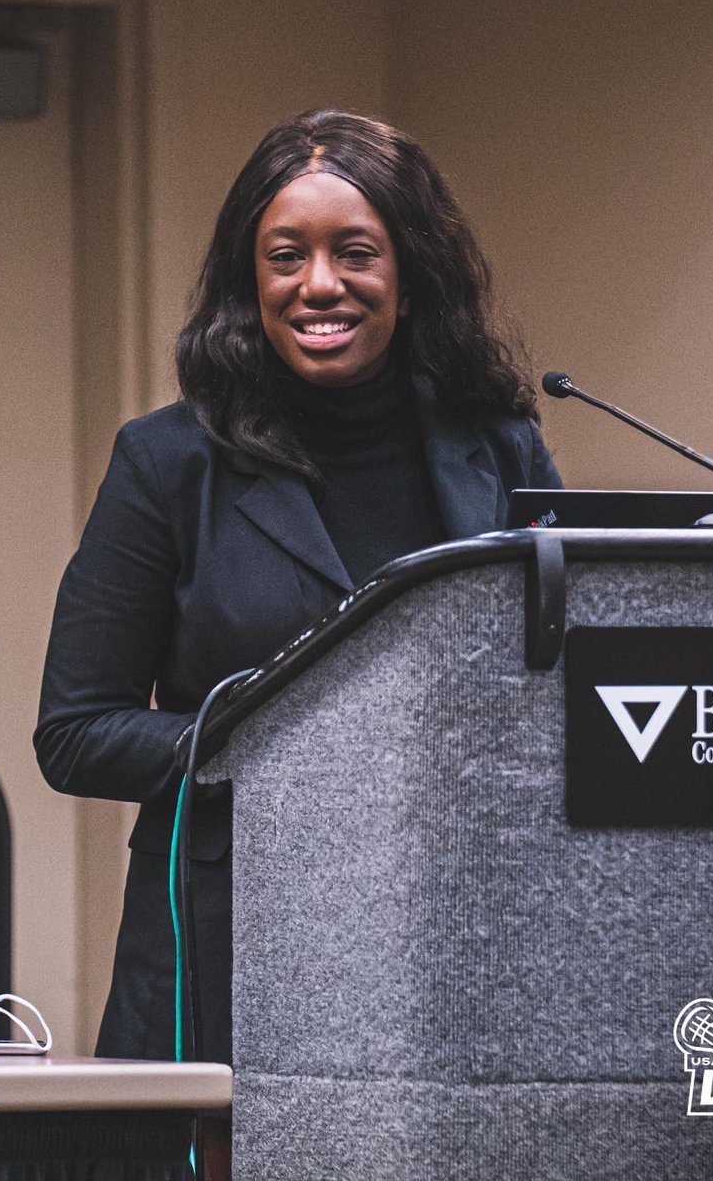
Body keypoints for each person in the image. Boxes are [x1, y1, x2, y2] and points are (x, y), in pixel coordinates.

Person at [34, 109, 562, 1070]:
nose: (320, 284)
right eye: (286, 257)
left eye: (355, 252)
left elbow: (560, 687)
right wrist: (294, 744)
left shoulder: (500, 445)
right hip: (234, 940)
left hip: (456, 936)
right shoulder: (167, 462)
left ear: (411, 272)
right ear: (252, 281)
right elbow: (76, 732)